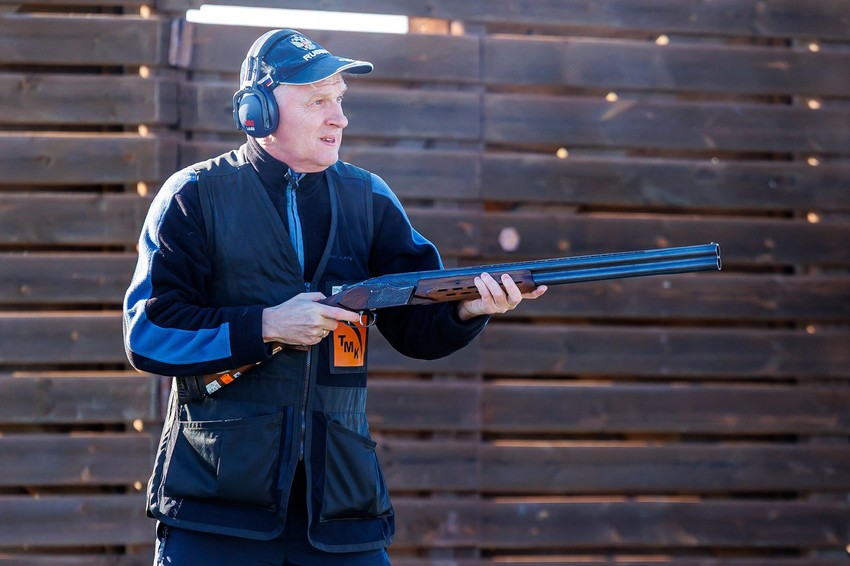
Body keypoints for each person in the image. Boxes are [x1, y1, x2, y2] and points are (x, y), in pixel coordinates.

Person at [123, 28, 546, 566]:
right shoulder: (194, 196)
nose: (339, 118)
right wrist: (267, 325)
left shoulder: (368, 198)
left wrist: (468, 309)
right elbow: (150, 333)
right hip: (216, 509)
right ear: (258, 112)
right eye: (318, 101)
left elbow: (417, 329)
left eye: (340, 99)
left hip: (341, 509)